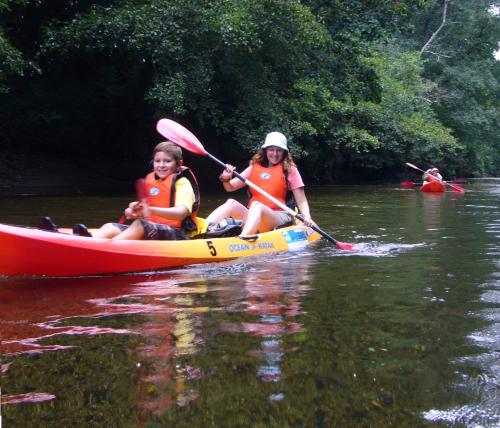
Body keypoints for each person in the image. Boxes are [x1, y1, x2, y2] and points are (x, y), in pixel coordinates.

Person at [77, 141, 200, 240]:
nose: (161, 165)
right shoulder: (152, 181)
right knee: (111, 226)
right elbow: (147, 210)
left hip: (178, 234)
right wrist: (135, 209)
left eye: (167, 161)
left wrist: (151, 210)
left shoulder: (183, 183)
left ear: (178, 164)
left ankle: (106, 248)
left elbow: (181, 213)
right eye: (158, 161)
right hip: (153, 228)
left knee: (139, 224)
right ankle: (87, 240)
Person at [205, 131, 314, 238]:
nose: (275, 154)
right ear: (265, 151)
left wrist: (307, 216)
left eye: (279, 150)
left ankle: (243, 238)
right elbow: (231, 187)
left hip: (279, 216)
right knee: (231, 203)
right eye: (271, 150)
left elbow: (301, 200)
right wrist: (226, 179)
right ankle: (202, 228)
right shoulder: (254, 167)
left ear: (284, 152)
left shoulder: (290, 170)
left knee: (257, 206)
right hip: (254, 215)